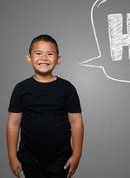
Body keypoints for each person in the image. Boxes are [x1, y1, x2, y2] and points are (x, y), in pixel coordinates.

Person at [6, 34, 84, 178]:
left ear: (58, 59)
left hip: (61, 157)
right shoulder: (21, 89)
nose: (44, 57)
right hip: (29, 157)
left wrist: (77, 154)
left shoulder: (67, 88)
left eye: (50, 53)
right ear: (29, 58)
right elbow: (13, 123)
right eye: (38, 53)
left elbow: (76, 122)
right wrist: (12, 156)